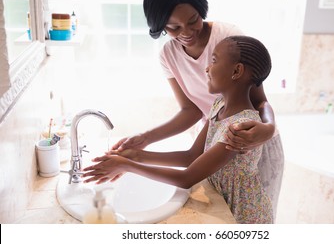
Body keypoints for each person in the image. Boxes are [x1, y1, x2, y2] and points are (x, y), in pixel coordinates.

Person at [112, 0, 284, 219]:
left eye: (193, 20)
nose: (186, 32)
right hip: (215, 136)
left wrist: (267, 127)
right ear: (160, 25)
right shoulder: (168, 55)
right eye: (173, 27)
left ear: (201, 8)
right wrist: (144, 140)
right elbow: (191, 110)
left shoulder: (228, 41)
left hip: (251, 142)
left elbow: (259, 99)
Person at [83, 35, 274, 224]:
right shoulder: (219, 105)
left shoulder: (240, 128)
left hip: (244, 217)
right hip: (224, 204)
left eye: (214, 60)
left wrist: (126, 165)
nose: (207, 68)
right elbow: (192, 156)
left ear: (237, 71)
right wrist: (136, 155)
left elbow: (187, 178)